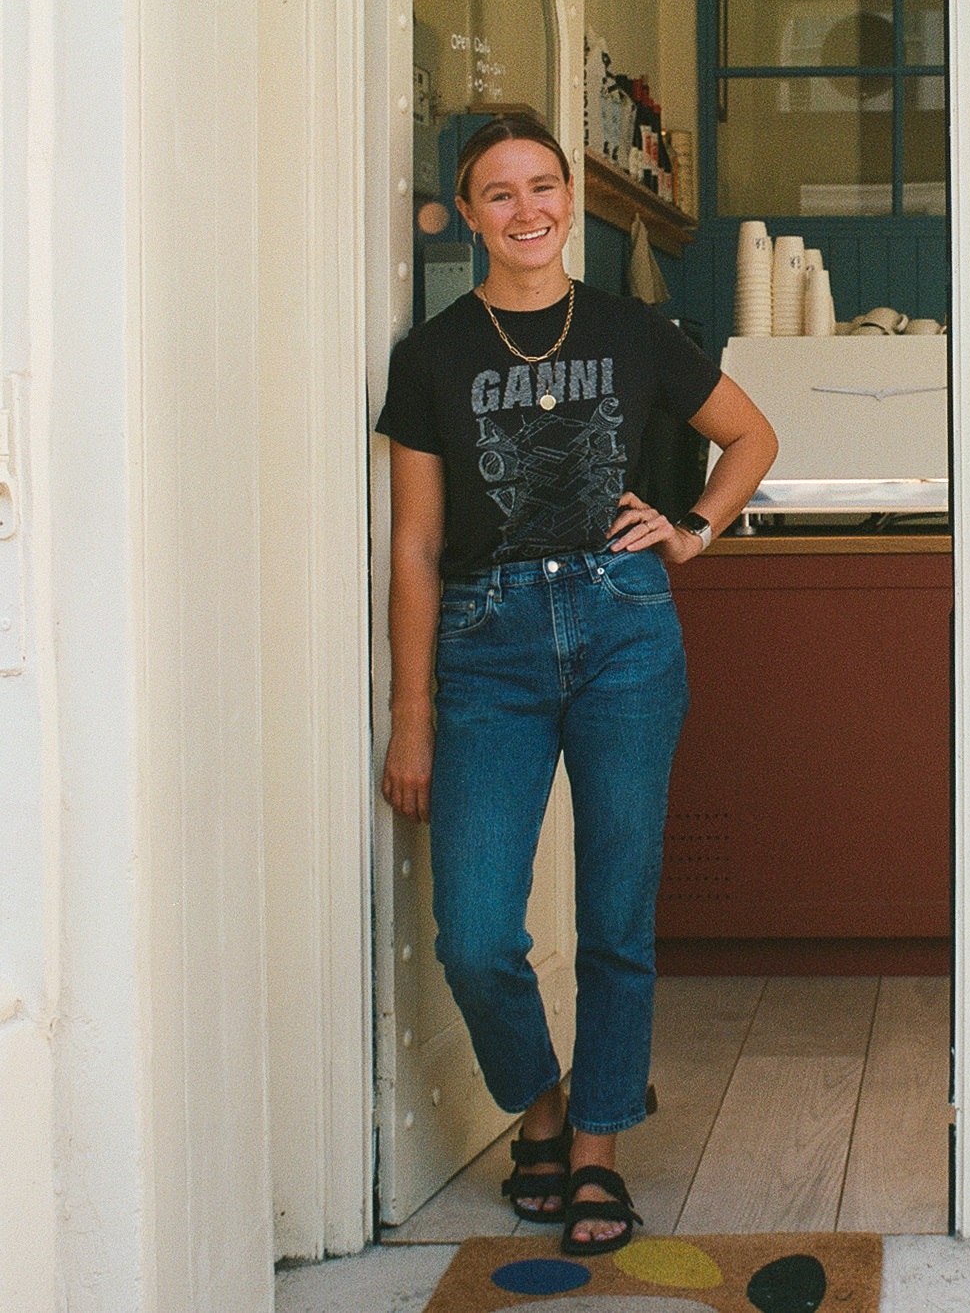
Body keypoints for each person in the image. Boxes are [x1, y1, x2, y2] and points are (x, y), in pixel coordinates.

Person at [376, 114, 777, 1255]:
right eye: (497, 194)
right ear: (468, 215)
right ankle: (540, 1108)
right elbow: (413, 546)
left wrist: (693, 528)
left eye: (542, 185)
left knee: (615, 916)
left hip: (623, 628)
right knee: (476, 934)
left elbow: (751, 436)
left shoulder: (631, 330)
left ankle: (596, 1146)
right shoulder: (434, 355)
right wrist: (413, 715)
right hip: (487, 646)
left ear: (568, 198)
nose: (528, 209)